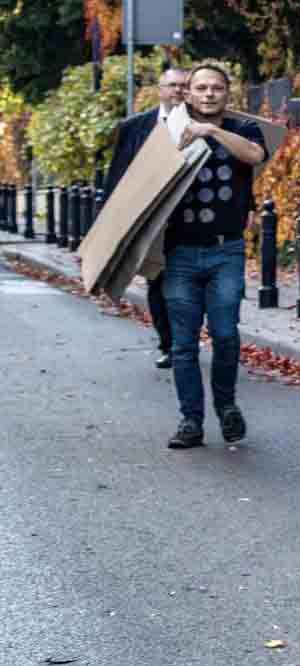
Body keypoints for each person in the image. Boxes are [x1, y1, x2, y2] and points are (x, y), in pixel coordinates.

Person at [159, 64, 268, 450]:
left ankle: (226, 406)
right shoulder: (169, 131)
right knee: (184, 344)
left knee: (225, 334)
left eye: (216, 88)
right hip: (180, 254)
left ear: (227, 93)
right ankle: (191, 421)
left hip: (226, 250)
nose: (208, 94)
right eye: (201, 88)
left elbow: (255, 155)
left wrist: (213, 132)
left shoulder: (243, 130)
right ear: (188, 94)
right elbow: (148, 179)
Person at [102, 64, 191, 369]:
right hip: (152, 222)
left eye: (184, 85)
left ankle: (185, 340)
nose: (179, 91)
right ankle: (169, 344)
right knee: (158, 284)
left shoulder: (208, 124)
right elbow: (117, 175)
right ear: (161, 90)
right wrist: (107, 225)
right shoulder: (134, 127)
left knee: (191, 284)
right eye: (173, 85)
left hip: (191, 220)